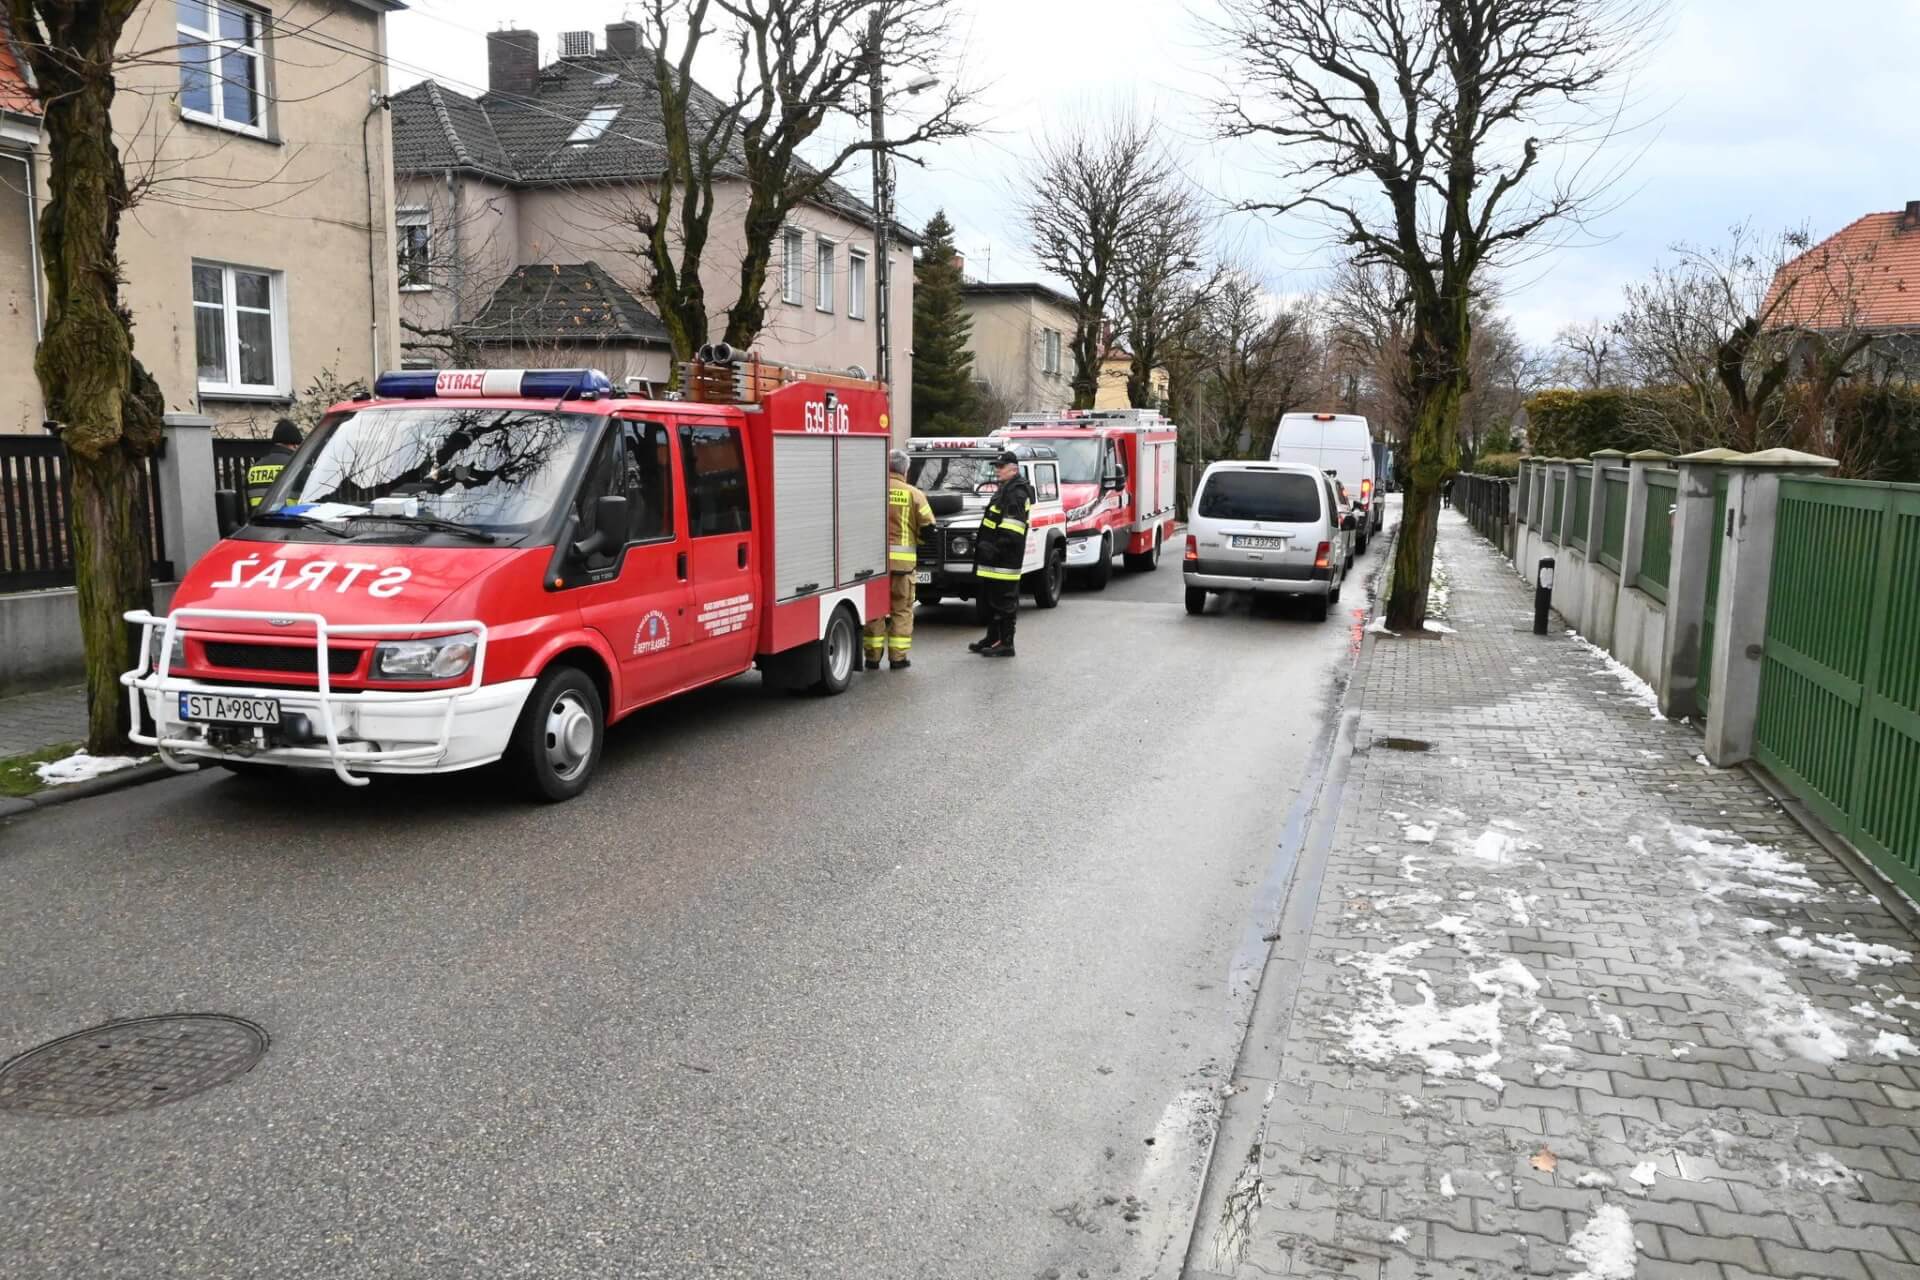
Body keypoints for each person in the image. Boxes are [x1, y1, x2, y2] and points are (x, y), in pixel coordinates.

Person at [861, 449, 936, 671]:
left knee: (874, 611)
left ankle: (872, 658)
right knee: (901, 611)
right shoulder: (914, 494)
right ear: (905, 469)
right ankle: (898, 658)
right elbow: (929, 530)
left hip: (875, 566)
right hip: (903, 567)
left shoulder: (873, 493)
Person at [969, 449, 1032, 659]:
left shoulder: (1016, 493)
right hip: (994, 560)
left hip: (1004, 560)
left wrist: (993, 548)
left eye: (1000, 467)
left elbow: (1013, 531)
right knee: (992, 600)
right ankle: (992, 638)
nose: (997, 471)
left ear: (1013, 469)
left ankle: (1006, 644)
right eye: (996, 467)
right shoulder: (1006, 489)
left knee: (1004, 602)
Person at [246, 418, 304, 510]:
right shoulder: (298, 467)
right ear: (295, 445)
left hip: (259, 522)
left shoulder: (254, 469)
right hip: (292, 522)